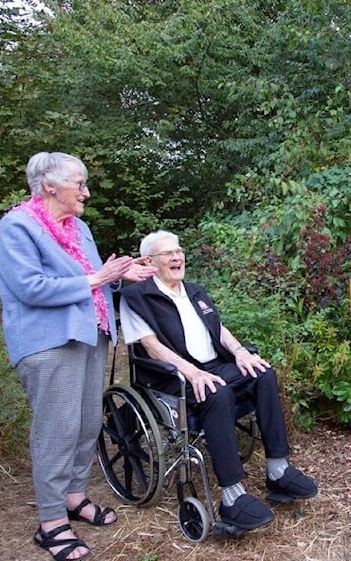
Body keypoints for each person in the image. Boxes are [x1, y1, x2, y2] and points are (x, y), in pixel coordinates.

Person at [0, 152, 157, 561]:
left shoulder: (79, 228)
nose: (85, 191)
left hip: (89, 336)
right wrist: (100, 277)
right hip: (48, 344)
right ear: (49, 186)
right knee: (56, 428)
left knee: (85, 423)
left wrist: (120, 277)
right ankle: (50, 522)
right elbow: (31, 287)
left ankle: (74, 496)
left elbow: (94, 282)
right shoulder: (17, 228)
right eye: (78, 183)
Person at [120, 230, 318, 536]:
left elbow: (219, 328)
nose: (177, 257)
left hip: (214, 366)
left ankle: (278, 469)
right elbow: (151, 346)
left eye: (179, 251)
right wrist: (193, 373)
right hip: (172, 377)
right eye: (168, 253)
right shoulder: (137, 298)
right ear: (149, 262)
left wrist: (240, 353)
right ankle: (231, 496)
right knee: (217, 391)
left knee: (263, 373)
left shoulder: (195, 291)